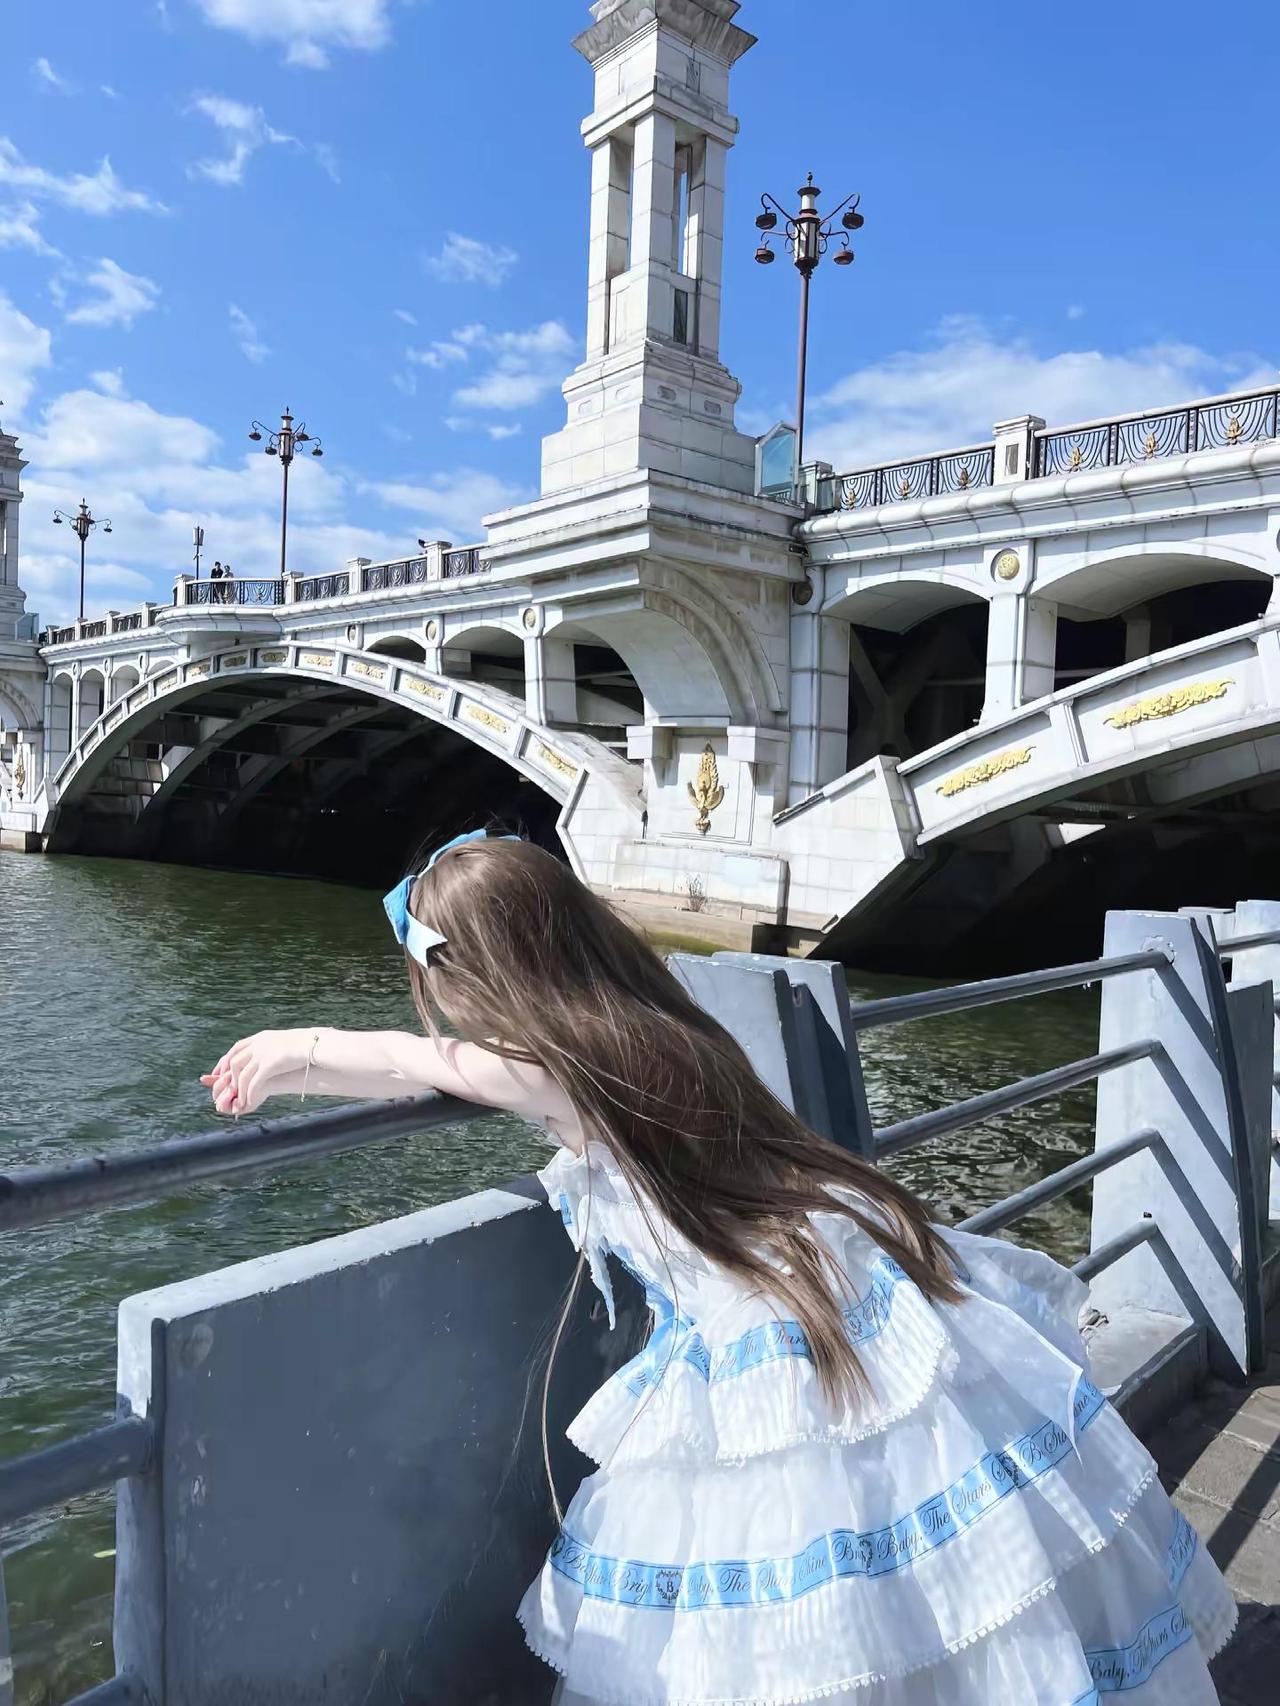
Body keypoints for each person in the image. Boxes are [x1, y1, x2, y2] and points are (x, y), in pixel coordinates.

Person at [202, 832, 1236, 1706]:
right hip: (840, 1265)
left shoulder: (554, 1068)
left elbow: (405, 1058)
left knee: (794, 1601)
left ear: (479, 976)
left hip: (765, 1329)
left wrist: (292, 1050)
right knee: (925, 1571)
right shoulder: (658, 1019)